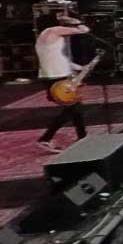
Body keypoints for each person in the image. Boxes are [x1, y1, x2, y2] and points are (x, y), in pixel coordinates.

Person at [35, 11, 90, 153]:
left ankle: (83, 137)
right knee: (72, 108)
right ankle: (45, 139)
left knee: (75, 108)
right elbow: (84, 30)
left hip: (54, 75)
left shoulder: (42, 37)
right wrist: (73, 20)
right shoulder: (54, 30)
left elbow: (58, 58)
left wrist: (79, 67)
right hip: (57, 76)